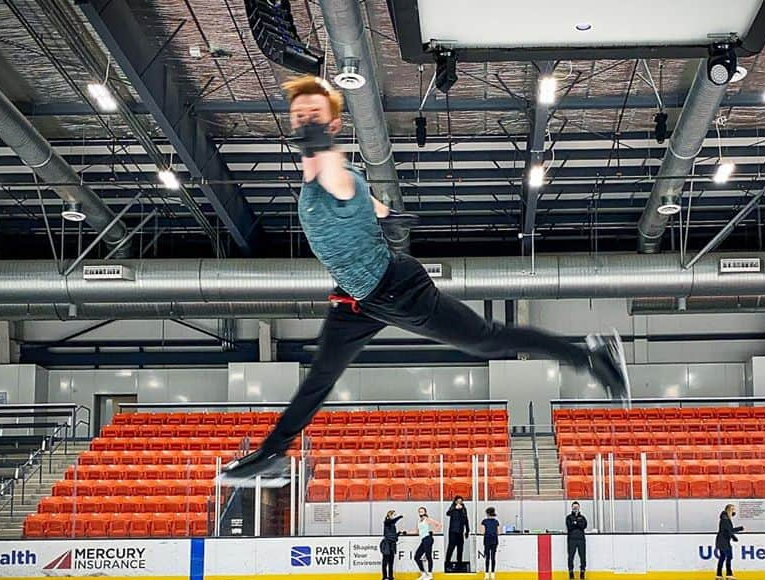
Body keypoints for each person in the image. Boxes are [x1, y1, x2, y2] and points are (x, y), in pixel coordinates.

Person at [220, 75, 629, 482]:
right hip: (355, 299)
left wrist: (322, 149)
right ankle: (273, 453)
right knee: (322, 375)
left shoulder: (336, 174)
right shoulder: (322, 180)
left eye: (314, 114)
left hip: (397, 289)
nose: (305, 119)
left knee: (486, 338)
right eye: (299, 115)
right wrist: (388, 215)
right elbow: (365, 201)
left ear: (332, 126)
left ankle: (591, 359)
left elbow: (341, 185)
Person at [716, 504, 744, 580]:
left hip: (721, 540)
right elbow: (729, 530)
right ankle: (729, 574)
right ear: (728, 510)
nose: (733, 511)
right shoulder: (725, 519)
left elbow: (728, 530)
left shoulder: (725, 518)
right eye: (732, 509)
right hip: (723, 541)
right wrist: (739, 529)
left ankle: (719, 575)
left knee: (722, 557)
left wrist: (733, 536)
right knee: (729, 557)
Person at [413, 506, 441, 580]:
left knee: (428, 556)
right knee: (416, 557)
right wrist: (405, 532)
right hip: (423, 540)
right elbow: (417, 532)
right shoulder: (418, 521)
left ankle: (430, 575)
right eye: (419, 511)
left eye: (422, 511)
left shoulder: (427, 519)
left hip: (428, 539)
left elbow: (439, 524)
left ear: (425, 512)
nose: (420, 513)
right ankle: (423, 574)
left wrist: (433, 532)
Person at [445, 496, 470, 570]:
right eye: (458, 501)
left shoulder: (464, 509)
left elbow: (466, 520)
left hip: (460, 531)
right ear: (455, 502)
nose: (459, 503)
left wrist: (467, 530)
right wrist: (455, 508)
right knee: (451, 548)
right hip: (453, 531)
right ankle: (447, 564)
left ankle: (459, 564)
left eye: (461, 501)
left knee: (460, 548)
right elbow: (448, 513)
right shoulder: (452, 508)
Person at [566, 501, 587, 580]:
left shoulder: (582, 517)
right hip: (571, 539)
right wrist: (577, 524)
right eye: (574, 507)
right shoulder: (568, 517)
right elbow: (569, 526)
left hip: (581, 539)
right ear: (572, 508)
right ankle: (571, 574)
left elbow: (583, 526)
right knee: (571, 557)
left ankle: (582, 574)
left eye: (577, 507)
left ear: (579, 508)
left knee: (583, 557)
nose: (575, 508)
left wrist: (576, 522)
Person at [380, 509, 403, 580]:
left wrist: (399, 533)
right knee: (385, 562)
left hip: (392, 545)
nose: (394, 516)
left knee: (391, 562)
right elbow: (391, 521)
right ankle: (384, 577)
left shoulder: (393, 525)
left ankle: (391, 577)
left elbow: (393, 535)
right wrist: (400, 517)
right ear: (390, 515)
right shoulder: (387, 522)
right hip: (386, 544)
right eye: (394, 515)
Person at [481, 507, 500, 580]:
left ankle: (486, 575)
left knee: (487, 557)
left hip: (487, 540)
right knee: (493, 557)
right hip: (494, 540)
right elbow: (498, 532)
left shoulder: (484, 521)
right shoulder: (496, 522)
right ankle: (492, 575)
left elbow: (482, 532)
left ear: (487, 513)